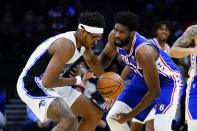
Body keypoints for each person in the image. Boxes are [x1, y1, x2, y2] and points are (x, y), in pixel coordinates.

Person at [17, 11, 105, 131]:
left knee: (95, 113)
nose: (96, 42)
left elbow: (94, 62)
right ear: (83, 32)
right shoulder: (66, 45)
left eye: (99, 38)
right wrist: (77, 80)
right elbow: (47, 82)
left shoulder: (83, 44)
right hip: (32, 83)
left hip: (50, 82)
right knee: (69, 119)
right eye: (94, 37)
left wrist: (107, 82)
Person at [98, 11, 183, 131]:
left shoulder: (144, 51)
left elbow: (154, 91)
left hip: (168, 83)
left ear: (132, 33)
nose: (117, 34)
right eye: (116, 30)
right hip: (141, 79)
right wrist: (94, 72)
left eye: (122, 32)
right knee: (112, 118)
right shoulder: (115, 38)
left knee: (160, 128)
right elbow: (107, 57)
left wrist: (128, 116)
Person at [126, 20, 171, 131]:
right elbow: (129, 65)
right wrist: (121, 79)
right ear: (156, 31)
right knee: (137, 125)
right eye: (161, 29)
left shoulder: (169, 48)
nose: (164, 31)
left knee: (150, 124)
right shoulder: (149, 43)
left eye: (166, 29)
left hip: (158, 89)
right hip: (144, 86)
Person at [170, 25, 197, 131]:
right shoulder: (194, 30)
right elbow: (173, 51)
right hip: (195, 86)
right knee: (193, 127)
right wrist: (193, 50)